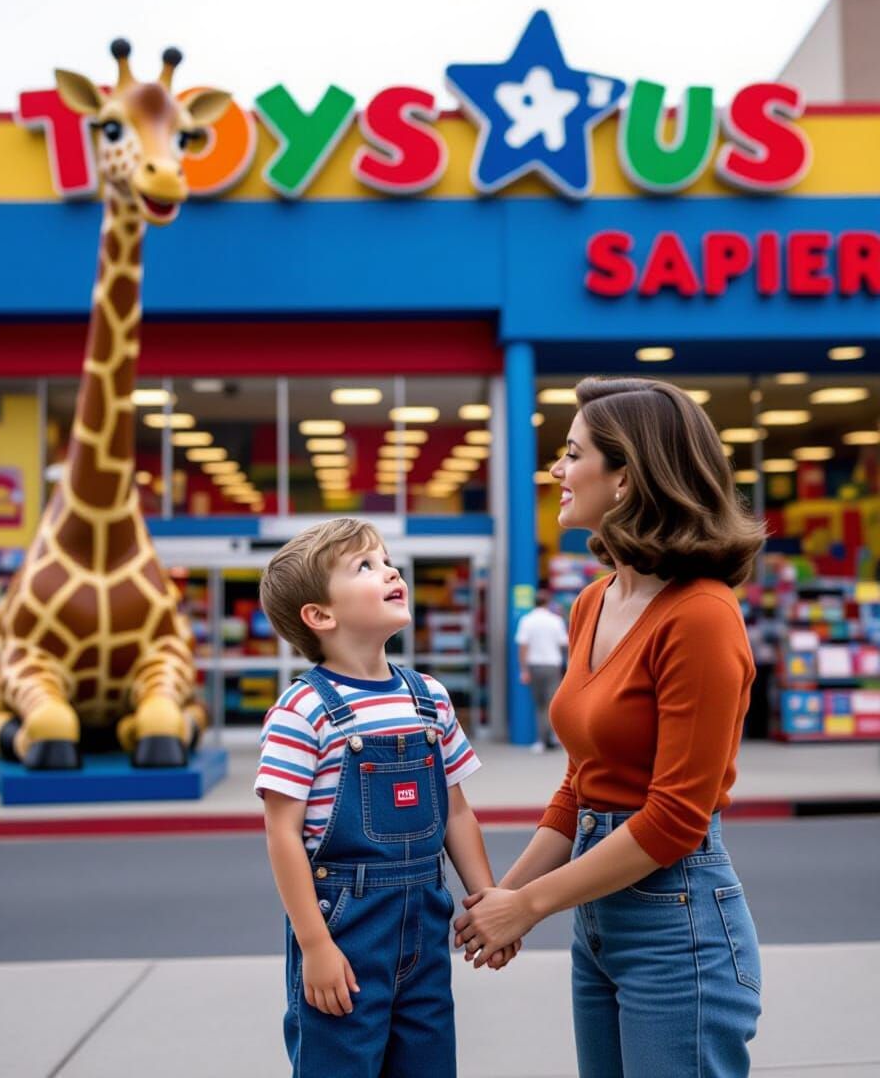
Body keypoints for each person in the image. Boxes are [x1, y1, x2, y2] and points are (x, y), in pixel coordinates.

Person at [455, 376, 765, 1078]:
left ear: (627, 477)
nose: (556, 471)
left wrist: (528, 904)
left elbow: (675, 819)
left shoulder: (702, 616)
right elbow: (581, 784)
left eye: (572, 454)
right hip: (598, 918)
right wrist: (505, 901)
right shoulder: (593, 602)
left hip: (676, 921)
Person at [255, 517, 517, 1078]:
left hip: (424, 923)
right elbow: (282, 836)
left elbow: (457, 811)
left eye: (386, 560)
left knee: (428, 1063)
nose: (390, 571)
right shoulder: (302, 711)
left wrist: (489, 900)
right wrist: (315, 946)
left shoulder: (431, 699)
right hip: (344, 932)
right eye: (365, 566)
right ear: (321, 616)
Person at [515, 588, 568, 752]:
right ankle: (553, 736)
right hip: (552, 665)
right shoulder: (556, 620)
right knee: (552, 702)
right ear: (548, 603)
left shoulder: (527, 620)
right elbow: (564, 643)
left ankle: (542, 740)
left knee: (539, 705)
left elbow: (523, 646)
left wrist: (524, 670)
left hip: (534, 665)